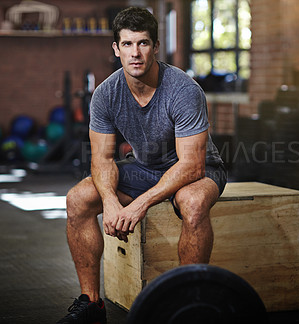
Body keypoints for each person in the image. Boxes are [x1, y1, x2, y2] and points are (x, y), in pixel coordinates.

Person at [57, 6, 227, 324]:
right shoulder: (106, 94)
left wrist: (139, 205)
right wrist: (109, 201)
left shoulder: (184, 90)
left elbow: (192, 165)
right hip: (146, 168)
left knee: (191, 202)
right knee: (77, 199)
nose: (135, 53)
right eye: (127, 44)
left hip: (199, 169)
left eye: (143, 43)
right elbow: (103, 158)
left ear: (156, 47)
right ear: (116, 49)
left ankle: (191, 303)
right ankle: (91, 305)